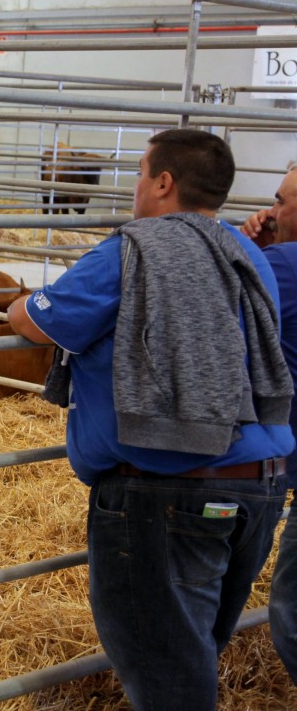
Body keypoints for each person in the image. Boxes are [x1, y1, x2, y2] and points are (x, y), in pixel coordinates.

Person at [8, 128, 294, 710]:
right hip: (259, 486)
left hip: (165, 490)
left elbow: (38, 322)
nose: (137, 185)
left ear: (163, 183)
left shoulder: (130, 251)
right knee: (192, 651)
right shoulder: (252, 261)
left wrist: (16, 304)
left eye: (141, 172)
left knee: (168, 678)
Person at [241, 165, 297, 684]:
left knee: (293, 618)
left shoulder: (281, 265)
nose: (272, 212)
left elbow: (210, 291)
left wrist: (243, 243)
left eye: (281, 201)